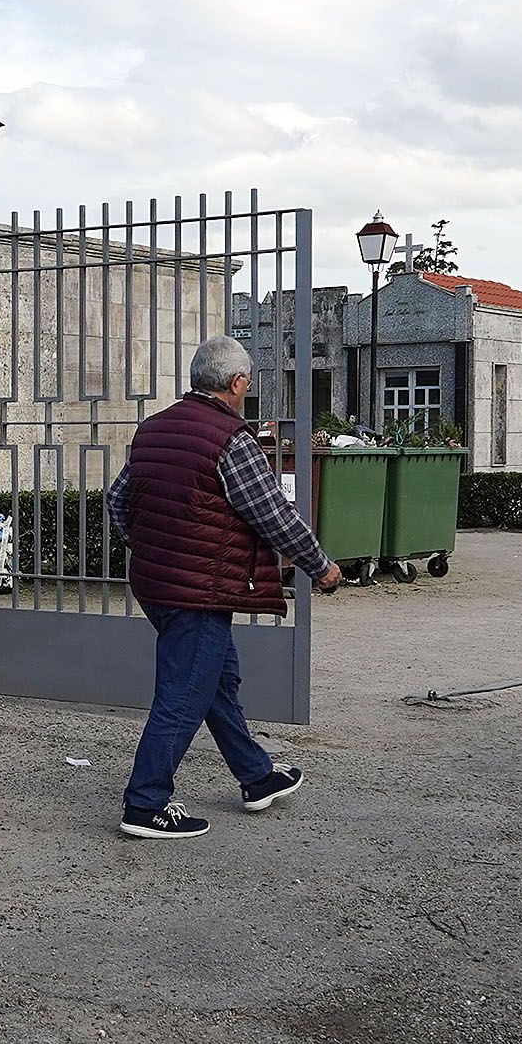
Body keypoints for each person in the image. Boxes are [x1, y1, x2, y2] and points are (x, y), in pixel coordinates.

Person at [105, 336, 343, 839]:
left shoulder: (153, 429)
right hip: (199, 591)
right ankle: (146, 803)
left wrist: (150, 548)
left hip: (156, 582)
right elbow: (273, 515)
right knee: (185, 692)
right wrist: (320, 566)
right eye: (248, 382)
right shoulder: (232, 439)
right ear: (237, 383)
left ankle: (256, 776)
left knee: (215, 681)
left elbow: (118, 500)